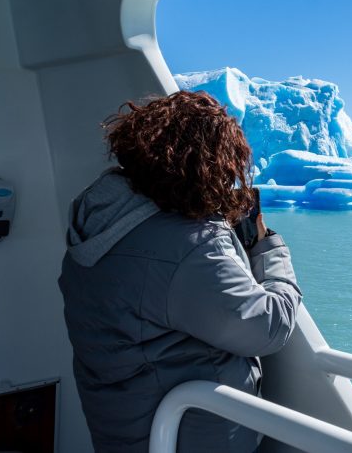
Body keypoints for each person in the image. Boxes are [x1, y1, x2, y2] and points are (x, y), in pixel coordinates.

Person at [59, 91, 302, 452]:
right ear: (207, 162)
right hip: (190, 439)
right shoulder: (189, 248)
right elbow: (267, 328)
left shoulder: (101, 223)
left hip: (125, 428)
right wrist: (268, 248)